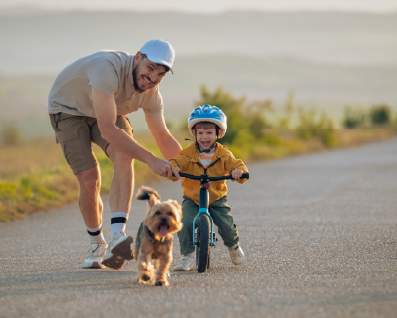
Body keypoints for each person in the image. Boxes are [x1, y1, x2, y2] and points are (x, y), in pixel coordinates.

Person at [48, 39, 182, 269]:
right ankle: (96, 242)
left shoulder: (151, 94)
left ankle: (118, 236)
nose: (152, 78)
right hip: (68, 109)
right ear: (138, 57)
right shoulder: (107, 69)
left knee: (124, 155)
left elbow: (163, 136)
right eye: (150, 68)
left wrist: (190, 167)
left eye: (160, 74)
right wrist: (151, 160)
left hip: (107, 108)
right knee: (90, 178)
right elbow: (108, 130)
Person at [168, 105, 248, 271]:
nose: (205, 136)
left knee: (226, 224)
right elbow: (177, 161)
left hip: (216, 196)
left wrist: (239, 172)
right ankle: (187, 256)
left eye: (209, 132)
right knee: (185, 222)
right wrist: (172, 168)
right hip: (192, 197)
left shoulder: (223, 154)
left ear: (219, 133)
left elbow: (236, 164)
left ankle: (233, 246)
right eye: (201, 132)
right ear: (194, 134)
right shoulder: (188, 153)